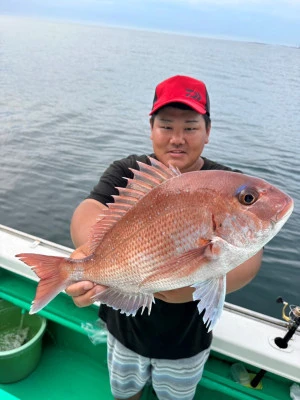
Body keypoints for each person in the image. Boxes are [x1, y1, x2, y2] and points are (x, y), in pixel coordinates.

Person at [67, 75, 263, 400]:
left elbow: (250, 258)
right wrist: (96, 259)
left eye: (190, 127)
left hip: (185, 341)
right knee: (124, 391)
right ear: (151, 128)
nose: (177, 138)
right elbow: (87, 213)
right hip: (124, 328)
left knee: (174, 395)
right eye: (166, 125)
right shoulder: (129, 171)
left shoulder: (226, 183)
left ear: (208, 131)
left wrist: (181, 287)